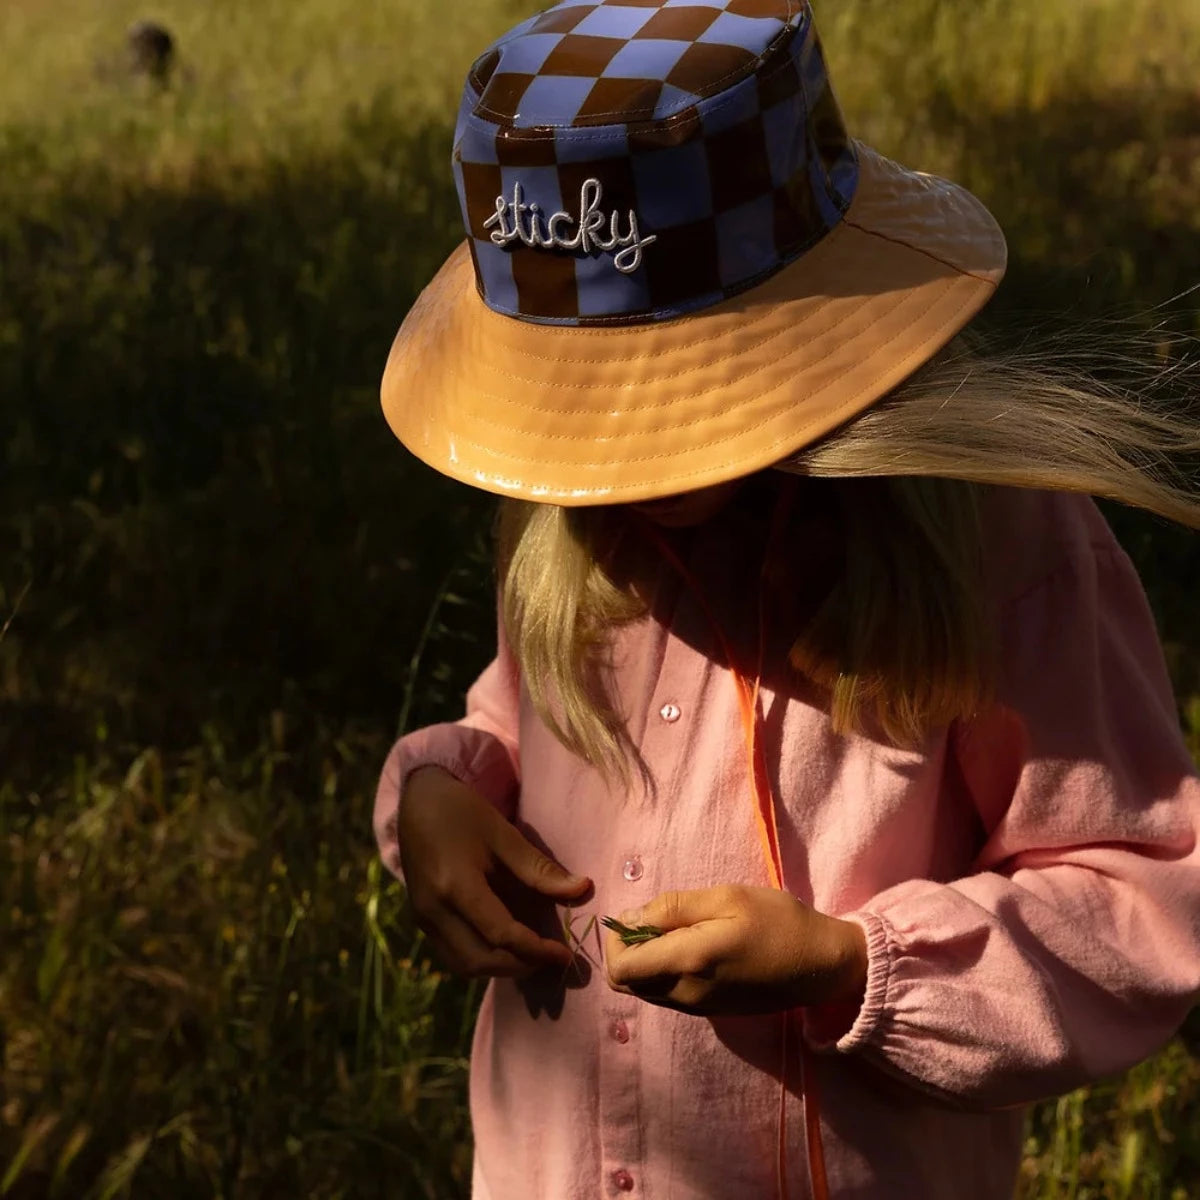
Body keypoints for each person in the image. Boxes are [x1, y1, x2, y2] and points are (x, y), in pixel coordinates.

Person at [372, 1, 1200, 1196]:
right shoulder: (571, 525)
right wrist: (445, 792)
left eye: (665, 403)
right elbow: (521, 721)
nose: (623, 460)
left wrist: (847, 965)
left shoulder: (994, 549)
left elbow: (1140, 905)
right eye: (580, 408)